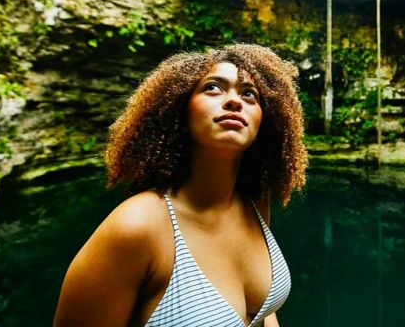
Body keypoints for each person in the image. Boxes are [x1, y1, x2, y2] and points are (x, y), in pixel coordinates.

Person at [53, 44, 308, 327]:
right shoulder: (138, 226)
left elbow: (261, 313)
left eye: (249, 94)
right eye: (213, 88)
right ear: (178, 111)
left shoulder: (253, 203)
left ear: (267, 121)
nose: (235, 101)